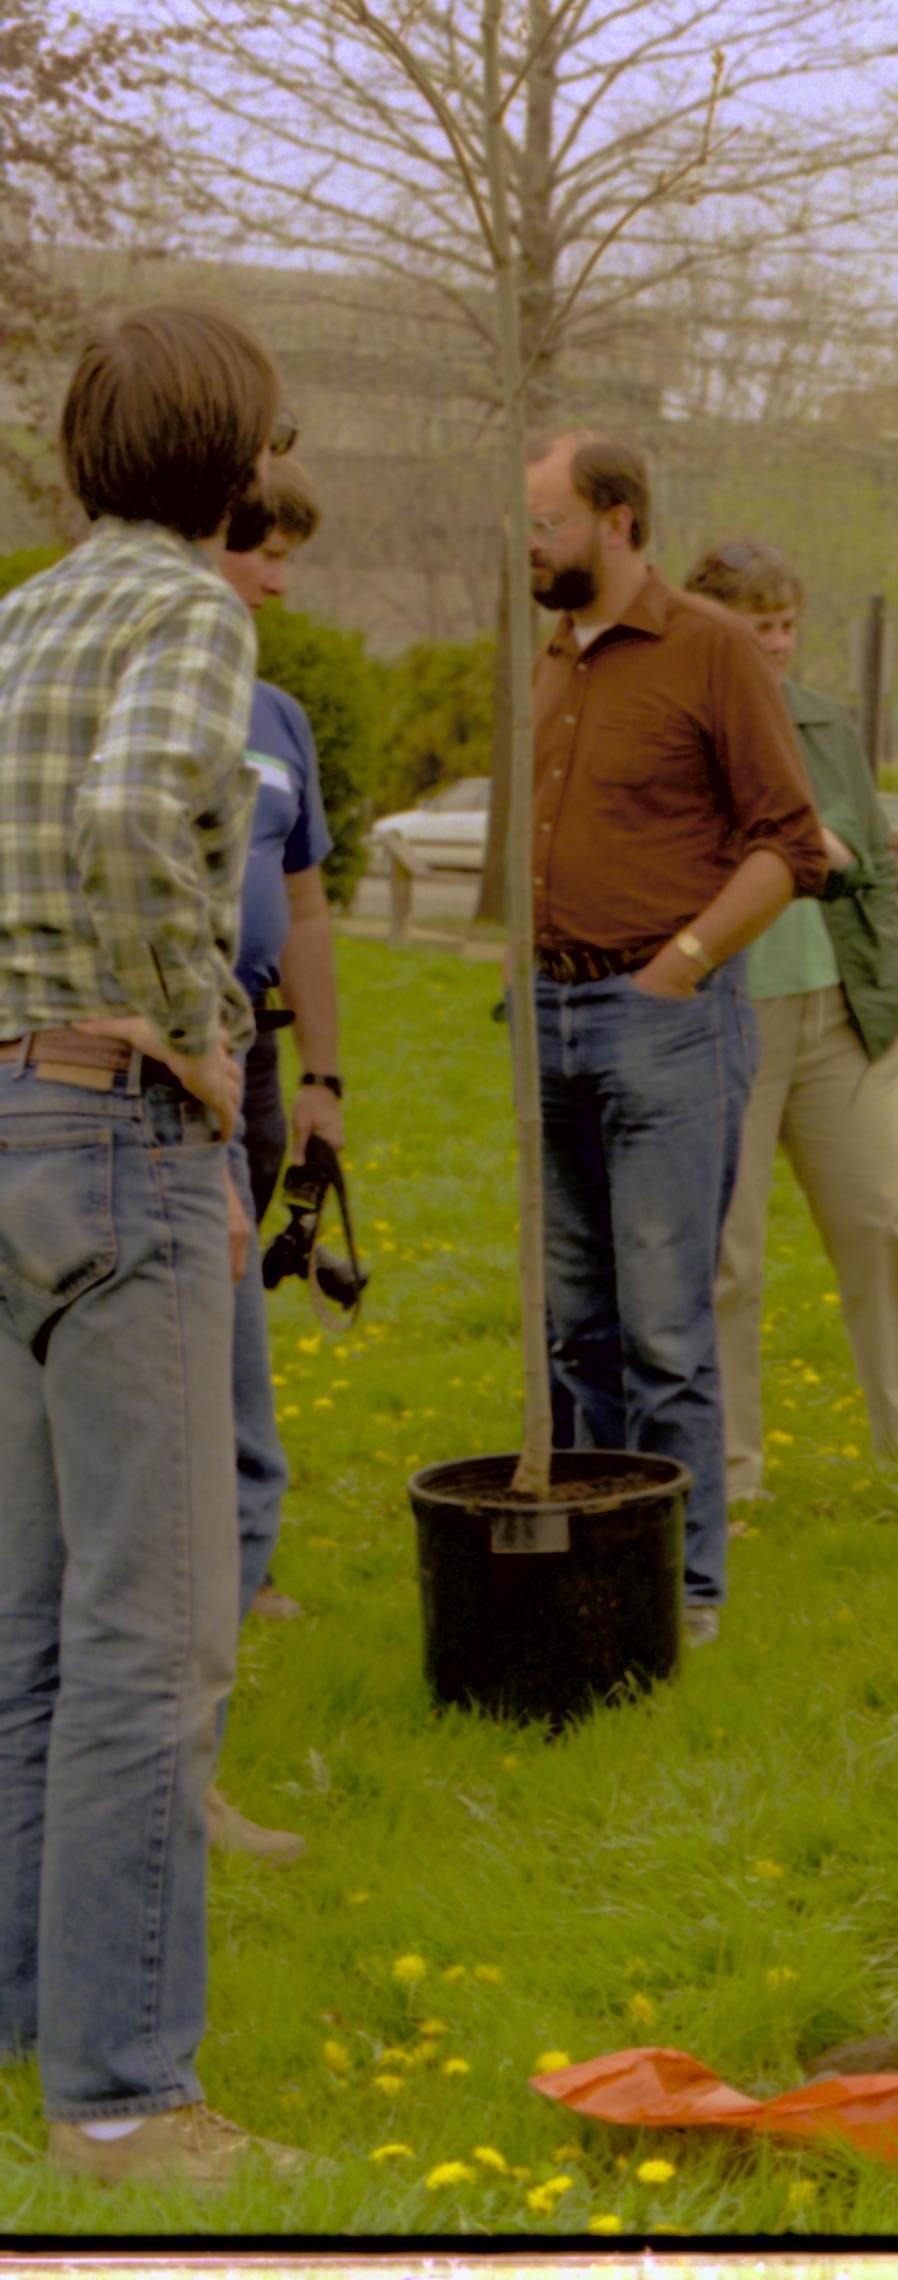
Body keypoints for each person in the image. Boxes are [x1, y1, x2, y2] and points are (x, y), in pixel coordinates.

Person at [0, 299, 308, 2186]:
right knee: (156, 1638)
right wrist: (200, 1038)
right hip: (113, 1126)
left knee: (30, 1627)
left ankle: (32, 2028)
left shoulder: (22, 617)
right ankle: (124, 2098)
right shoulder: (193, 612)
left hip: (1, 1112)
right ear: (239, 465)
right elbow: (134, 819)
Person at [512, 433, 831, 1645]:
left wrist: (679, 966)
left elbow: (790, 846)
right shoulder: (547, 659)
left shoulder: (710, 649)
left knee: (663, 1329)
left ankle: (686, 1591)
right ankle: (598, 1562)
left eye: (546, 522)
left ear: (618, 521)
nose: (530, 544)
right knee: (574, 1321)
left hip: (667, 1029)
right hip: (545, 1018)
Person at [686, 540, 898, 1503]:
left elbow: (853, 852)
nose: (776, 644)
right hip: (724, 1013)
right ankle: (729, 1472)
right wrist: (796, 843)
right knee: (727, 1255)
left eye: (785, 625)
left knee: (884, 1226)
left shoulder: (821, 721)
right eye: (754, 626)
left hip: (842, 1012)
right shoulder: (678, 719)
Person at [205, 453, 345, 1867]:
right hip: (139, 1079)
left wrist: (323, 1078)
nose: (281, 579)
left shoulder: (276, 717)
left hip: (241, 1057)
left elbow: (300, 911)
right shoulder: (148, 687)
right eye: (264, 550)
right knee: (216, 1421)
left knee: (235, 1388)